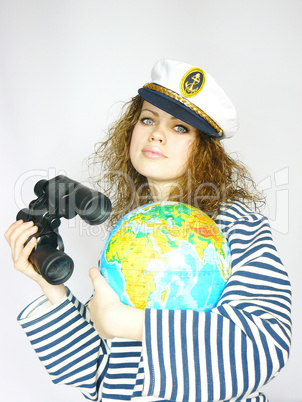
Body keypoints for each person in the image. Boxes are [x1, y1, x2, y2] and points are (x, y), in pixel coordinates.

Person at [5, 59, 292, 402]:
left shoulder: (236, 226)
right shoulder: (133, 234)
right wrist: (46, 282)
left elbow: (262, 346)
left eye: (180, 128)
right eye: (148, 119)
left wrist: (128, 323)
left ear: (205, 150)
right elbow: (101, 375)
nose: (157, 133)